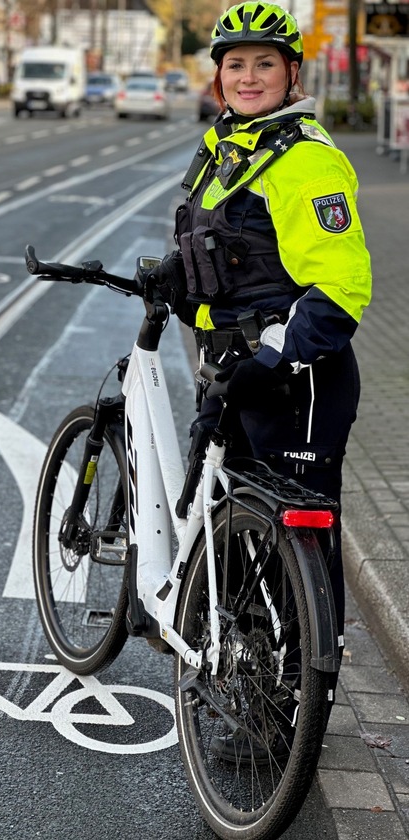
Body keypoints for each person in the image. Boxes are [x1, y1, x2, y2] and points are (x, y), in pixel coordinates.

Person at [146, 1, 372, 756]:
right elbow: (225, 256)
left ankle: (297, 707)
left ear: (291, 74)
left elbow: (340, 286)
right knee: (237, 538)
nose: (247, 77)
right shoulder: (229, 150)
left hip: (295, 381)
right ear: (218, 76)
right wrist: (177, 282)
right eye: (235, 64)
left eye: (263, 64)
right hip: (231, 373)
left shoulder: (306, 158)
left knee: (299, 545)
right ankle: (251, 685)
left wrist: (278, 359)